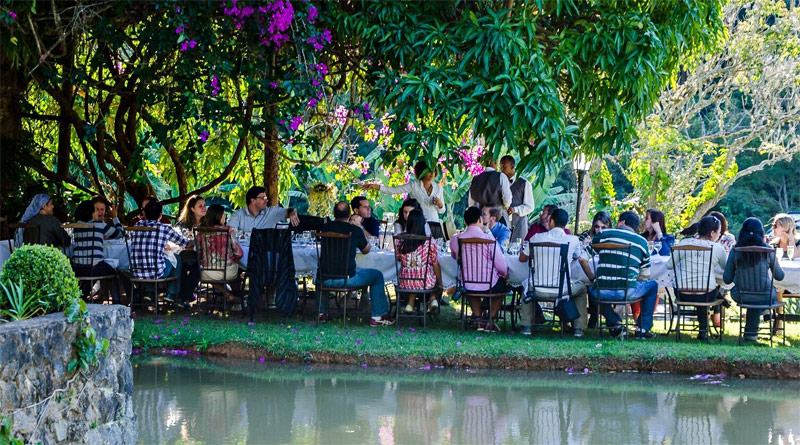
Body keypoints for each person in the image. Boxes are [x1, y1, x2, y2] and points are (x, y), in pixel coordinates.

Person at [316, 201, 394, 326]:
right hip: (347, 279)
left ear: (333, 213)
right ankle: (378, 316)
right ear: (349, 215)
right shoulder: (354, 230)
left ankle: (321, 312)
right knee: (377, 275)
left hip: (324, 279)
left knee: (320, 271)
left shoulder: (325, 228)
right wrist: (359, 227)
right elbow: (366, 250)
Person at [519, 208, 590, 337]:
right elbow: (579, 257)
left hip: (537, 288)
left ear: (551, 221)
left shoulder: (536, 238)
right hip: (562, 290)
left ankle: (526, 326)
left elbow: (522, 258)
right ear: (565, 224)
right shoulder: (573, 240)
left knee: (526, 286)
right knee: (582, 289)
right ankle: (578, 328)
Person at [590, 210, 659, 339]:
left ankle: (614, 322)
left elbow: (592, 248)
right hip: (627, 291)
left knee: (592, 288)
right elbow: (646, 275)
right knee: (653, 285)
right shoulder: (641, 242)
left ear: (622, 222)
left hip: (602, 291)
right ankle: (643, 328)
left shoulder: (604, 234)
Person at [723, 217, 785, 341]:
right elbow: (779, 276)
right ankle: (754, 328)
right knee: (759, 298)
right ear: (761, 233)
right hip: (766, 294)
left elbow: (727, 279)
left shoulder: (736, 250)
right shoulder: (768, 250)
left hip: (741, 294)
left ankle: (751, 333)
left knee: (753, 299)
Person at [450, 206, 509, 332]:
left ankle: (477, 318)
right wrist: (505, 274)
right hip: (489, 283)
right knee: (503, 284)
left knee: (471, 282)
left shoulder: (456, 239)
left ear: (465, 222)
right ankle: (490, 320)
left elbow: (455, 256)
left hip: (467, 282)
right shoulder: (489, 239)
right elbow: (501, 265)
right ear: (480, 220)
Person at [668, 216, 727, 340]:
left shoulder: (683, 244)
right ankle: (703, 329)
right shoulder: (718, 248)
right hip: (706, 294)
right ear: (712, 233)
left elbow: (669, 265)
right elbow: (725, 268)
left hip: (682, 294)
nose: (720, 235)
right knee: (708, 289)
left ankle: (703, 329)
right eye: (719, 232)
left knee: (699, 288)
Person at [132, 200, 192, 303]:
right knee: (176, 259)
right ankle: (171, 293)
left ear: (144, 214)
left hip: (136, 271)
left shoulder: (137, 226)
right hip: (157, 272)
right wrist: (194, 240)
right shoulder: (164, 228)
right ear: (160, 215)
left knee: (147, 260)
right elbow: (185, 243)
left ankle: (149, 292)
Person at [71, 199, 123, 302]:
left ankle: (82, 297)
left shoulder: (76, 226)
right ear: (90, 212)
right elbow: (120, 233)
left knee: (90, 271)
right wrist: (115, 218)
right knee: (111, 273)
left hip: (77, 267)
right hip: (94, 267)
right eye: (95, 210)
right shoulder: (99, 225)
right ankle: (117, 302)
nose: (97, 213)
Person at [365, 161, 445, 227]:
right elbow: (394, 190)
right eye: (429, 171)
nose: (432, 173)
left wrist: (440, 204)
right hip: (418, 223)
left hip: (435, 223)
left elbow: (442, 210)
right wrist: (377, 186)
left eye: (434, 170)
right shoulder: (413, 185)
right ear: (422, 171)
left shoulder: (438, 188)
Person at [395, 209, 441, 314]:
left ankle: (410, 304)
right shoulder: (429, 241)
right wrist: (440, 284)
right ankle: (433, 298)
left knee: (416, 275)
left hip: (404, 281)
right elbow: (434, 263)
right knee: (430, 274)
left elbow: (398, 258)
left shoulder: (400, 239)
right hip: (424, 282)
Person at [198, 204, 244, 303]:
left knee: (209, 274)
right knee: (239, 268)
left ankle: (227, 294)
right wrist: (233, 259)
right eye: (223, 214)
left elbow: (199, 253)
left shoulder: (201, 231)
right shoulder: (228, 231)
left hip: (208, 272)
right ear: (218, 216)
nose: (225, 216)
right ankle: (237, 296)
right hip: (228, 272)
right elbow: (239, 253)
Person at [578, 211, 612, 328]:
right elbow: (578, 253)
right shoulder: (586, 235)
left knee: (594, 285)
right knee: (588, 284)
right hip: (587, 269)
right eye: (597, 226)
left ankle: (595, 316)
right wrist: (584, 245)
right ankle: (591, 316)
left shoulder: (612, 238)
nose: (600, 230)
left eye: (603, 227)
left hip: (607, 273)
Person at [227, 186, 300, 233]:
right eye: (263, 198)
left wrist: (292, 213)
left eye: (266, 198)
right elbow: (230, 232)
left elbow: (290, 210)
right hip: (243, 253)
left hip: (265, 253)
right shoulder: (238, 215)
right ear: (253, 201)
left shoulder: (271, 212)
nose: (266, 201)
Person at [468, 155, 512, 225]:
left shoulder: (475, 179)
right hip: (497, 220)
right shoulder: (501, 176)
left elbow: (471, 204)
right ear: (495, 162)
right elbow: (507, 200)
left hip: (480, 221)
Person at [499, 155, 535, 242]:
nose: (502, 169)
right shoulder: (498, 182)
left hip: (519, 225)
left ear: (512, 166)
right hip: (502, 225)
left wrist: (515, 209)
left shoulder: (525, 183)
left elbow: (530, 206)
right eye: (501, 166)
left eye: (504, 166)